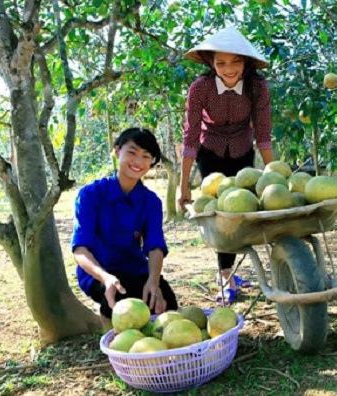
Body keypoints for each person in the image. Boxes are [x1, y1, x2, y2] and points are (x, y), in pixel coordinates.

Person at [177, 26, 273, 304]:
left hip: (243, 150)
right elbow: (190, 138)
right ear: (211, 63)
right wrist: (182, 187)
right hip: (211, 152)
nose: (229, 69)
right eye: (221, 62)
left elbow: (263, 135)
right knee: (221, 214)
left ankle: (234, 267)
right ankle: (225, 274)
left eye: (236, 61)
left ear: (247, 62)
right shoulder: (200, 89)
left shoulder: (257, 87)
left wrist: (274, 177)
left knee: (243, 209)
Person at [72, 127, 178, 328]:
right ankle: (111, 337)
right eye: (132, 152)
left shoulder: (151, 201)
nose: (138, 162)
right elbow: (80, 250)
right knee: (120, 304)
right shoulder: (90, 195)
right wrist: (105, 277)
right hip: (99, 272)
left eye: (146, 156)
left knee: (166, 305)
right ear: (117, 151)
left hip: (134, 269)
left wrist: (153, 282)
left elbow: (155, 247)